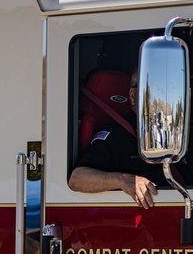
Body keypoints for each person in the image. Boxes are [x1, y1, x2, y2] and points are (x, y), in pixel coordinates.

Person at [68, 70, 166, 208]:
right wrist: (123, 180)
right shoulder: (115, 137)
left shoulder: (172, 134)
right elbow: (77, 179)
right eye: (151, 88)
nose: (160, 96)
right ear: (133, 96)